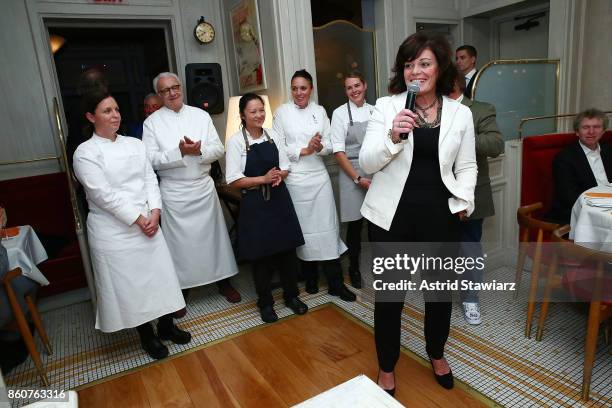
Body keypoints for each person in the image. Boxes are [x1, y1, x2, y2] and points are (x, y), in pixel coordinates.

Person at [359, 32, 477, 394]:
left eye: (424, 63)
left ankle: (436, 352)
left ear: (439, 67)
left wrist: (465, 200)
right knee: (391, 297)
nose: (416, 71)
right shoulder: (386, 106)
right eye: (409, 64)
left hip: (440, 217)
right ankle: (387, 365)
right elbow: (365, 162)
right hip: (392, 218)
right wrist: (393, 137)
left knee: (439, 294)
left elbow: (468, 165)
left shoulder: (460, 113)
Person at [73, 90, 190, 360]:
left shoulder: (135, 145)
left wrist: (155, 212)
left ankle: (166, 325)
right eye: (106, 111)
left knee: (159, 279)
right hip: (114, 229)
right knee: (131, 285)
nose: (115, 115)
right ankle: (146, 335)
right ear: (91, 117)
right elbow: (103, 194)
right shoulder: (85, 153)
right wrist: (139, 219)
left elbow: (150, 179)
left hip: (148, 221)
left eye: (116, 109)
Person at [142, 72, 241, 304]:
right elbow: (150, 160)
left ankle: (223, 280)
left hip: (202, 188)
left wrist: (198, 151)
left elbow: (218, 149)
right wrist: (179, 153)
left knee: (214, 240)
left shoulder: (201, 115)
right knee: (180, 248)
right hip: (174, 192)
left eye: (175, 87)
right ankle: (182, 289)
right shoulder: (151, 123)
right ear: (159, 95)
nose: (172, 93)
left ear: (181, 88)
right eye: (165, 90)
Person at [273, 69, 355, 302]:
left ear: (311, 89)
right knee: (304, 233)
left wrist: (319, 148)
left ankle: (335, 283)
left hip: (319, 178)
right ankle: (309, 278)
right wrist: (304, 150)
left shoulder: (319, 111)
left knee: (328, 229)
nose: (299, 92)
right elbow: (278, 146)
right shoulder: (281, 113)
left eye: (303, 88)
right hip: (296, 179)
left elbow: (329, 142)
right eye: (295, 88)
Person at [225, 93, 308, 323]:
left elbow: (285, 166)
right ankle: (265, 303)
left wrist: (280, 175)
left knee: (287, 252)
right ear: (243, 115)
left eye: (261, 110)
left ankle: (292, 296)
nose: (259, 115)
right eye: (253, 111)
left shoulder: (274, 136)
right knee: (261, 257)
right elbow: (233, 179)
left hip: (279, 199)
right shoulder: (235, 142)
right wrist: (263, 179)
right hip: (255, 204)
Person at [449, 76, 504, 325]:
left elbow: (495, 144)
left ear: (455, 83)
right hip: (437, 194)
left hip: (471, 193)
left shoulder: (481, 109)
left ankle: (471, 298)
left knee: (469, 248)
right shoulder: (429, 109)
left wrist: (463, 135)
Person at [330, 71, 373, 289]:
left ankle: (383, 265)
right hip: (351, 172)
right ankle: (354, 268)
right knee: (355, 225)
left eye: (357, 85)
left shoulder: (375, 111)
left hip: (374, 171)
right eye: (349, 88)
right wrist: (357, 178)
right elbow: (338, 152)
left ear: (364, 85)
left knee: (377, 222)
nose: (354, 90)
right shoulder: (339, 114)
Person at [547, 108, 611, 224]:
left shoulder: (609, 151)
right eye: (586, 127)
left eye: (596, 127)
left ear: (603, 131)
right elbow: (569, 196)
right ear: (577, 132)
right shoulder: (564, 158)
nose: (591, 132)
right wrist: (603, 207)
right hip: (581, 213)